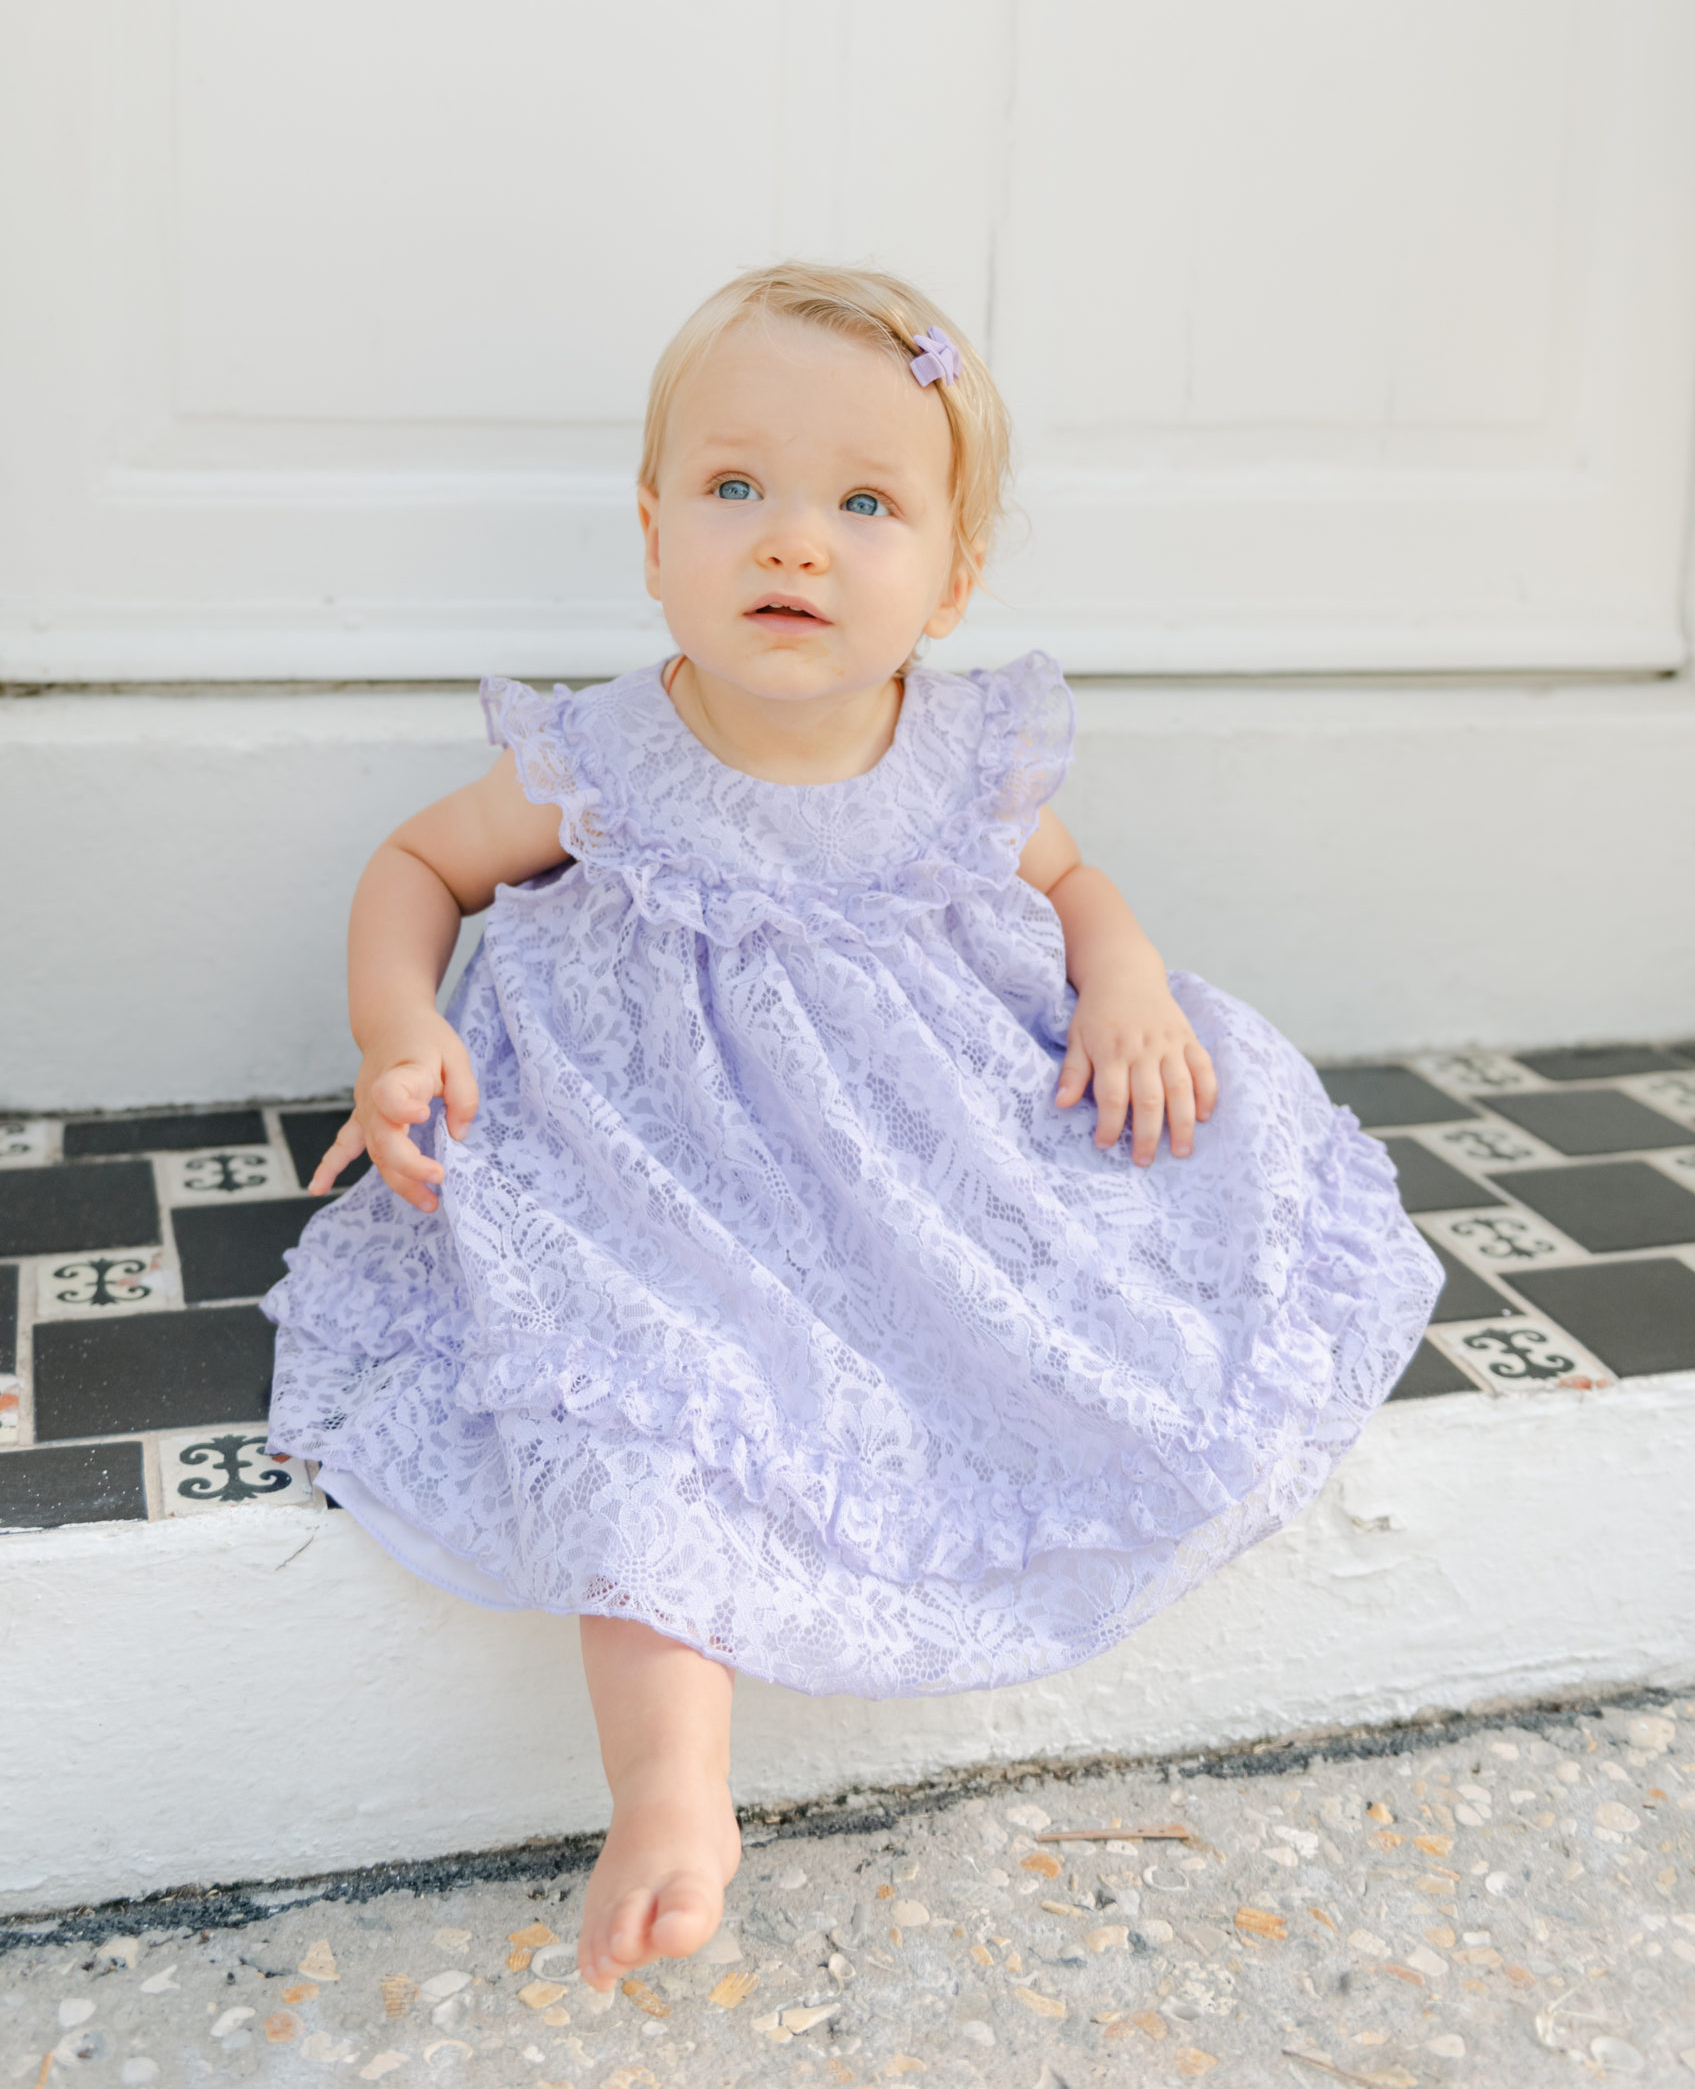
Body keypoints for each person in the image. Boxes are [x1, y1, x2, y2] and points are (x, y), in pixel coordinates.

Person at [262, 262, 1441, 1991]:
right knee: (643, 1395)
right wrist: (399, 1029)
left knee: (1102, 1272)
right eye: (734, 488)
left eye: (864, 503)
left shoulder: (960, 756)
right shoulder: (604, 754)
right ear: (652, 526)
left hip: (921, 1157)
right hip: (655, 1166)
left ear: (951, 577)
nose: (791, 542)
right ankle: (671, 1795)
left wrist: (1121, 980)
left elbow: (1075, 882)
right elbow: (419, 867)